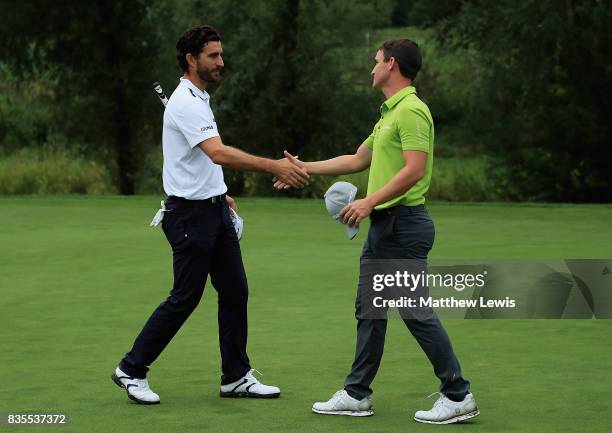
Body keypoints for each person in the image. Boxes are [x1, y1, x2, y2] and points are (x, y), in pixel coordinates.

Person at [276, 39, 479, 424]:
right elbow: (357, 159)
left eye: (376, 61)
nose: (371, 68)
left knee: (415, 311)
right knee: (369, 312)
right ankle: (356, 394)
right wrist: (303, 168)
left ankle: (458, 394)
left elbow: (414, 169)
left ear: (392, 64)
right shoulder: (388, 113)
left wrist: (368, 202)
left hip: (404, 225)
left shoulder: (412, 111)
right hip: (385, 228)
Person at [111, 25, 309, 405]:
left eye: (220, 54)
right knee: (185, 296)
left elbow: (199, 157)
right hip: (189, 217)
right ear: (192, 59)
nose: (221, 62)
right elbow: (217, 152)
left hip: (213, 208)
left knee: (235, 291)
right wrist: (274, 167)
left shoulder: (197, 97)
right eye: (213, 55)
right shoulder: (185, 101)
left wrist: (220, 192)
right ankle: (132, 368)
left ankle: (235, 376)